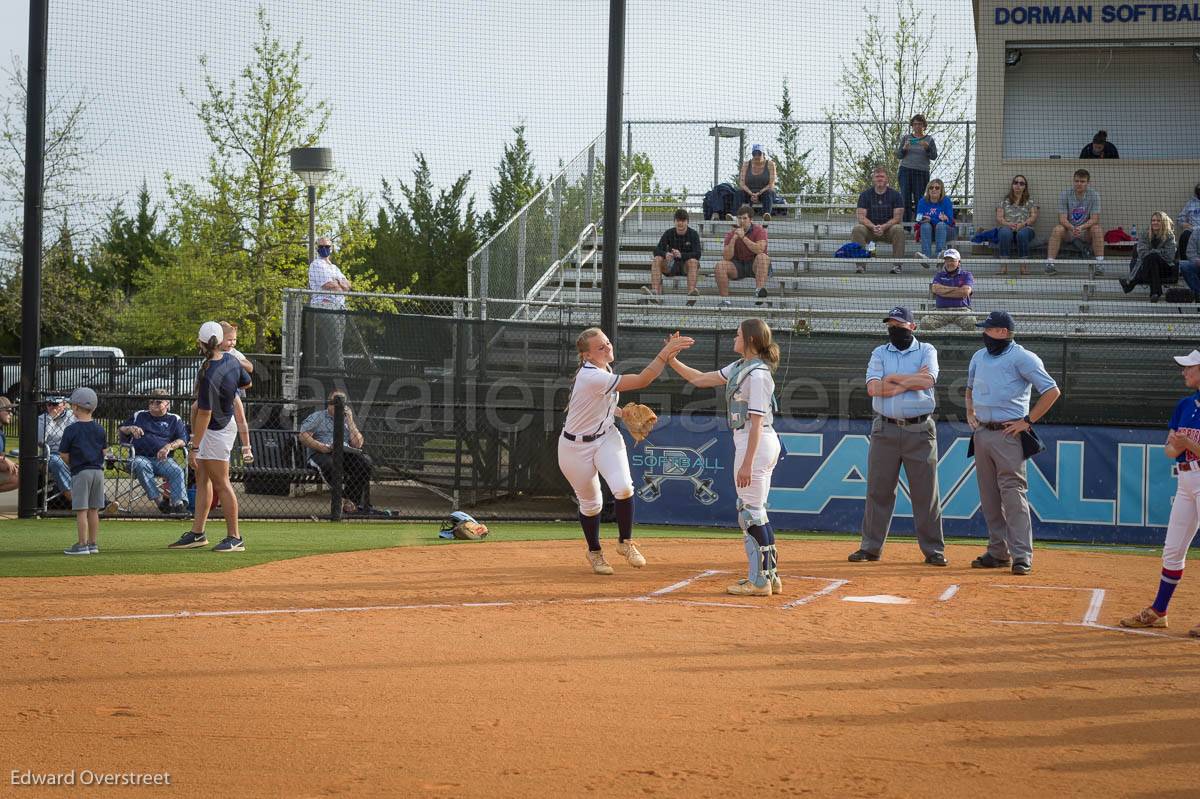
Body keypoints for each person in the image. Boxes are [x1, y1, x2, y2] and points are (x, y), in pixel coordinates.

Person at [559, 328, 693, 575]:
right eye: (600, 347)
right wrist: (664, 354)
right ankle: (595, 551)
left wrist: (623, 413)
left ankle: (625, 543)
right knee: (592, 504)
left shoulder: (604, 370)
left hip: (606, 436)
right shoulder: (591, 376)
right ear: (587, 356)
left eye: (607, 342)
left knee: (623, 488)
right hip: (574, 448)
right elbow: (643, 379)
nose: (608, 347)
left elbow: (603, 404)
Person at [668, 319, 782, 596]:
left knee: (750, 514)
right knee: (757, 512)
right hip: (754, 442)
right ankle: (770, 576)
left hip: (755, 443)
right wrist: (671, 359)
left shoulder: (758, 374)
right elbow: (700, 379)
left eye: (738, 335)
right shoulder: (742, 368)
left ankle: (759, 582)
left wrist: (746, 463)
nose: (734, 338)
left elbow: (755, 422)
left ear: (751, 340)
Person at [965, 310, 1062, 576]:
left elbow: (1052, 391)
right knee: (989, 498)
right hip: (983, 433)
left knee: (1013, 495)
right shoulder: (978, 356)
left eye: (988, 329)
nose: (984, 333)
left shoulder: (1023, 357)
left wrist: (1027, 420)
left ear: (1002, 332)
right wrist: (970, 413)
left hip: (1009, 434)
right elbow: (970, 388)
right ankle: (998, 552)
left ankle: (1021, 555)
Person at [849, 306, 946, 566]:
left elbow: (928, 381)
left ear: (912, 327)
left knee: (926, 492)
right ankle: (870, 548)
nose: (894, 329)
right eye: (890, 324)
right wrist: (910, 380)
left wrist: (893, 379)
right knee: (879, 491)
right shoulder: (879, 352)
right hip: (885, 428)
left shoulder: (927, 350)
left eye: (899, 324)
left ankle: (934, 550)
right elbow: (873, 389)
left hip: (920, 428)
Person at [1119, 348, 1200, 636]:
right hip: (1186, 481)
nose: (1184, 372)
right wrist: (1177, 447)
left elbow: (1188, 447)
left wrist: (1189, 446)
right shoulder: (1185, 405)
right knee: (1173, 550)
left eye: (1190, 368)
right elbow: (1169, 451)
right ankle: (1159, 610)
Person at [168, 322, 252, 552]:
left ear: (201, 343)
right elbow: (247, 382)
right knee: (203, 477)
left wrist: (194, 447)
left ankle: (235, 537)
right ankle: (198, 533)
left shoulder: (208, 371)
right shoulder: (231, 360)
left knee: (221, 483)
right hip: (219, 426)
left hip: (217, 429)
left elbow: (205, 413)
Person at [299, 389, 386, 516]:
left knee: (364, 463)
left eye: (342, 403)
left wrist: (350, 420)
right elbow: (303, 436)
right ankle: (341, 500)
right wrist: (321, 447)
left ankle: (348, 500)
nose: (339, 406)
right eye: (336, 403)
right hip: (321, 453)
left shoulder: (346, 420)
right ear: (329, 404)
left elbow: (358, 443)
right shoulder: (318, 417)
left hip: (343, 453)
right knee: (330, 465)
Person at [118, 389, 189, 514]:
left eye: (158, 402)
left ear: (167, 404)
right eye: (151, 402)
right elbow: (122, 429)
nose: (153, 405)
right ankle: (160, 502)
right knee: (141, 464)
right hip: (139, 457)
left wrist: (169, 446)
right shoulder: (139, 415)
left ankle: (178, 504)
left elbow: (183, 440)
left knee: (176, 470)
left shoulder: (174, 419)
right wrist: (131, 428)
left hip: (163, 459)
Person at [58, 387, 110, 555]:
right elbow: (104, 452)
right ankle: (93, 543)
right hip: (98, 472)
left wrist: (74, 463)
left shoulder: (71, 430)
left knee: (81, 510)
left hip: (81, 472)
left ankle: (82, 544)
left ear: (75, 407)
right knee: (94, 509)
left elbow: (63, 454)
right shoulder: (100, 429)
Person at [1046, 169, 1105, 276]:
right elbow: (1062, 219)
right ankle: (1050, 264)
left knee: (1097, 229)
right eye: (1076, 181)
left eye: (1082, 181)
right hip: (1069, 230)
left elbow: (1095, 219)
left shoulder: (1094, 195)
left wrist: (1081, 227)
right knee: (1057, 229)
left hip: (1085, 231)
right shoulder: (1064, 194)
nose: (1079, 184)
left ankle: (1100, 264)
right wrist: (1072, 228)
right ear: (1073, 181)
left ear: (1087, 182)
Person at [851, 167, 906, 274]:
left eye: (882, 176)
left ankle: (897, 265)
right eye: (877, 176)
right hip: (870, 230)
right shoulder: (865, 195)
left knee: (898, 229)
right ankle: (860, 266)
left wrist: (884, 227)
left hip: (888, 230)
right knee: (857, 228)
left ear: (887, 179)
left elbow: (897, 218)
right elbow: (861, 217)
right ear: (873, 179)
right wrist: (873, 227)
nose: (879, 179)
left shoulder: (896, 195)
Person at [308, 236, 351, 369]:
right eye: (321, 247)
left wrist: (338, 283)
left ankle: (337, 369)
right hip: (324, 306)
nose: (324, 249)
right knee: (335, 340)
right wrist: (338, 283)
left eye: (327, 247)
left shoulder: (334, 267)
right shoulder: (316, 264)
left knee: (338, 342)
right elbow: (328, 284)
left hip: (339, 307)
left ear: (331, 248)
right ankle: (338, 372)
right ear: (317, 248)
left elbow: (348, 285)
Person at [643, 208, 702, 306]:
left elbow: (698, 254)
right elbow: (656, 250)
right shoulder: (669, 233)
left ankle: (691, 295)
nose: (680, 223)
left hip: (686, 267)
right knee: (657, 259)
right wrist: (665, 254)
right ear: (674, 221)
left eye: (683, 221)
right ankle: (655, 294)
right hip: (671, 266)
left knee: (693, 261)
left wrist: (681, 255)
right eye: (678, 220)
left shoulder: (693, 234)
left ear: (687, 222)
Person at [716, 205, 770, 307]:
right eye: (739, 218)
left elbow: (760, 249)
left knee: (762, 257)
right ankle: (725, 301)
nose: (742, 221)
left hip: (755, 265)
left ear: (751, 220)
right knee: (720, 265)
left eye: (745, 218)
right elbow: (726, 257)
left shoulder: (759, 231)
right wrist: (734, 239)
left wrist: (743, 237)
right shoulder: (731, 234)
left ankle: (759, 292)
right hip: (738, 265)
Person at [1119, 212, 1178, 303]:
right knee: (1152, 258)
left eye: (1158, 220)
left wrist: (1153, 252)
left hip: (1165, 268)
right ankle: (1155, 293)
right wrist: (1158, 252)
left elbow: (1170, 256)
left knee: (1152, 256)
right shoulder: (1145, 234)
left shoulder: (1170, 236)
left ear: (1163, 222)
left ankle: (1131, 283)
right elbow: (1142, 253)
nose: (1155, 222)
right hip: (1149, 267)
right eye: (1153, 220)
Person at [896, 114, 937, 223]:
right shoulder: (906, 138)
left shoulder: (929, 139)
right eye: (914, 124)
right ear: (912, 126)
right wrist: (904, 149)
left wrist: (927, 148)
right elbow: (899, 155)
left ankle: (918, 223)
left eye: (920, 124)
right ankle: (906, 226)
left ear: (924, 126)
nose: (917, 126)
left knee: (920, 200)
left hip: (921, 172)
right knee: (905, 198)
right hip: (905, 171)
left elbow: (934, 156)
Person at [995, 175, 1039, 275]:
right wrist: (1008, 224)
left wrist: (1022, 224)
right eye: (1016, 182)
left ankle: (1023, 266)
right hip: (1008, 227)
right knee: (1004, 233)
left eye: (1021, 183)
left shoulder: (1030, 201)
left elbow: (1033, 217)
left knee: (1022, 234)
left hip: (1026, 228)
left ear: (1025, 187)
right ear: (1012, 185)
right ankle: (1004, 266)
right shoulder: (1004, 201)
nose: (1018, 185)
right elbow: (999, 218)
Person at [924, 249, 976, 330]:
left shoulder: (967, 275)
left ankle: (965, 342)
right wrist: (958, 290)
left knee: (971, 322)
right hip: (940, 311)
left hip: (962, 311)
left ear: (959, 262)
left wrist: (943, 291)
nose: (949, 263)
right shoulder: (939, 275)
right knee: (925, 322)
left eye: (952, 260)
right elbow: (935, 289)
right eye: (947, 260)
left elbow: (965, 292)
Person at [37, 396, 75, 503]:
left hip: (71, 452)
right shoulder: (42, 419)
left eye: (55, 405)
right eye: (49, 405)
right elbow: (40, 441)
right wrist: (50, 419)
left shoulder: (72, 416)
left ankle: (101, 499)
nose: (52, 408)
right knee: (56, 461)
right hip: (52, 454)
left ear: (63, 404)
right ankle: (74, 498)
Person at [915, 178, 955, 263]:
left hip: (945, 232)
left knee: (940, 225)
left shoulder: (946, 201)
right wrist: (934, 219)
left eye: (937, 188)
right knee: (925, 225)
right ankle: (926, 256)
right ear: (928, 190)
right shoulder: (922, 201)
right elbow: (918, 219)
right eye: (931, 187)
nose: (934, 189)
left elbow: (950, 221)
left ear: (941, 190)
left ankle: (940, 254)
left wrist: (931, 219)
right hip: (929, 232)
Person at [738, 144, 778, 220]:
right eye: (754, 154)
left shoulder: (770, 164)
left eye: (759, 153)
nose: (756, 156)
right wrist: (751, 193)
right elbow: (742, 183)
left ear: (763, 154)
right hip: (750, 191)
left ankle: (766, 215)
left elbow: (771, 184)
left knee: (769, 193)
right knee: (738, 193)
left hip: (765, 191)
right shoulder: (746, 164)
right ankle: (734, 216)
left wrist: (759, 193)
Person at [1176, 182, 1200, 261]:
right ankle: (1184, 263)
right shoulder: (1190, 203)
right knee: (1184, 235)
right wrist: (1189, 226)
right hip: (1193, 230)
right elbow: (1180, 219)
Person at [0, 396, 18, 493]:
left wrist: (12, 466)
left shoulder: (1, 434)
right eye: (8, 411)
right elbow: (2, 458)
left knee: (20, 474)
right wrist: (5, 459)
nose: (11, 414)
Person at [1179, 220, 1200, 297]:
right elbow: (1190, 252)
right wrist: (1196, 260)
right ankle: (1198, 293)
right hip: (1198, 265)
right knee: (1184, 265)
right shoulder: (1197, 232)